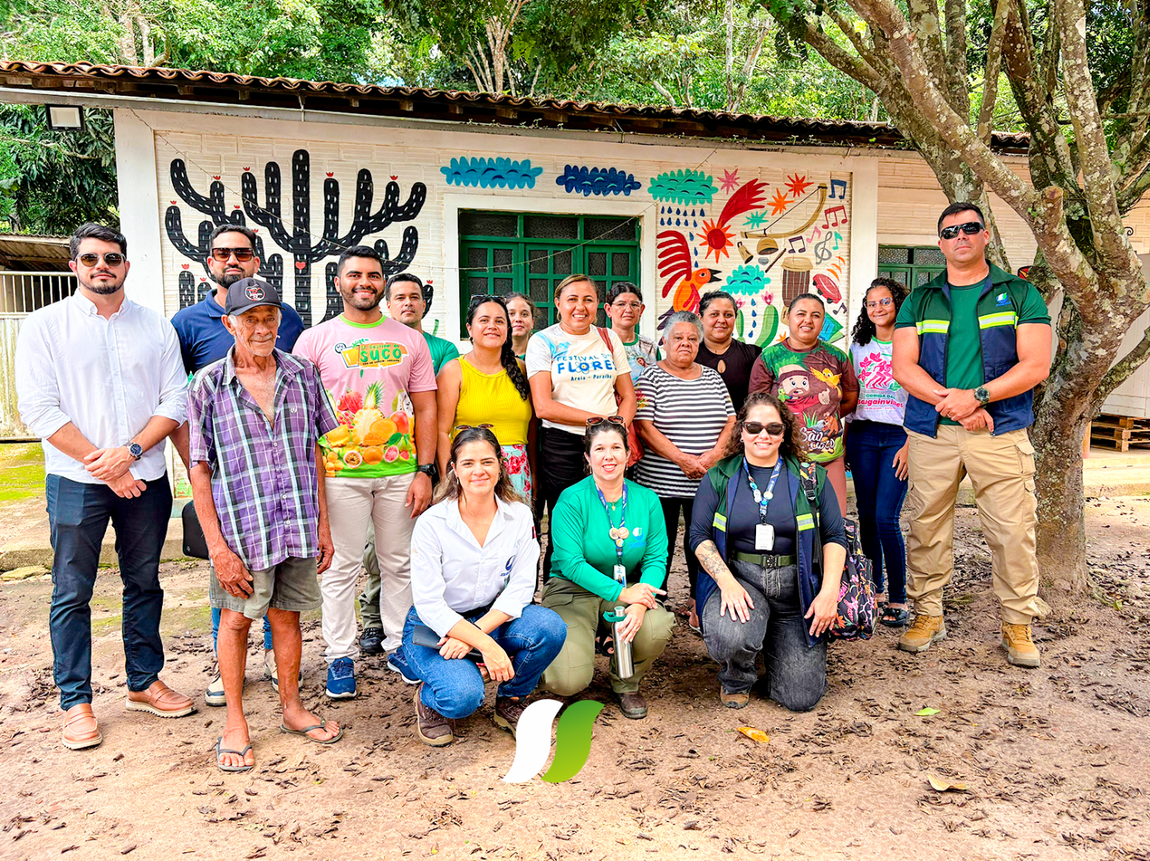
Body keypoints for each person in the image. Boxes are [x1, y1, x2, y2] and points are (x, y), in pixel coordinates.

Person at [16, 222, 194, 751]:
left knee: (145, 582)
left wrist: (130, 454)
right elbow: (39, 409)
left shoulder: (154, 325)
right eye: (91, 258)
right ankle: (76, 701)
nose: (102, 267)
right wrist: (108, 466)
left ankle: (144, 681)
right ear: (74, 265)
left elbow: (175, 399)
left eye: (112, 258)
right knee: (72, 591)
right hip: (77, 481)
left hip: (146, 478)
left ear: (125, 265)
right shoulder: (45, 325)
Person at [188, 277, 342, 771]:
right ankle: (235, 722)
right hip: (242, 527)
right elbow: (199, 468)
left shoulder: (302, 372)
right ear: (229, 323)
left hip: (296, 520)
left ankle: (291, 708)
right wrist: (217, 548)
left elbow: (317, 450)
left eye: (269, 318)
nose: (261, 328)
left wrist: (323, 525)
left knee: (287, 616)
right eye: (249, 319)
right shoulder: (208, 384)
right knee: (235, 620)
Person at [892, 202, 1052, 667]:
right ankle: (928, 614)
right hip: (932, 433)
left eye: (969, 228)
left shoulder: (1019, 293)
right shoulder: (920, 300)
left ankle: (1018, 623)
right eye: (950, 231)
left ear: (985, 236)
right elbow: (904, 366)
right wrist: (956, 404)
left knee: (1012, 530)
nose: (959, 236)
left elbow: (1036, 365)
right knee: (926, 527)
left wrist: (978, 398)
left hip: (999, 432)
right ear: (940, 243)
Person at [292, 249, 437, 698]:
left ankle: (400, 644)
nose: (364, 282)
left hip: (400, 470)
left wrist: (426, 470)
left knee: (400, 564)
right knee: (340, 566)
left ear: (382, 282)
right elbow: (301, 415)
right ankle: (340, 654)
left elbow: (426, 407)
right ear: (338, 282)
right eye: (354, 274)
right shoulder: (314, 340)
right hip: (339, 473)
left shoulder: (410, 340)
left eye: (373, 275)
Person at [170, 224, 304, 706]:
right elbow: (176, 396)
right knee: (232, 602)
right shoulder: (188, 324)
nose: (232, 259)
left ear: (255, 260)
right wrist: (197, 467)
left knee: (283, 607)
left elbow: (305, 432)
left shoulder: (290, 328)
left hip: (285, 496)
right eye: (222, 252)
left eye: (242, 252)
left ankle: (274, 666)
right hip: (232, 488)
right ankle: (226, 673)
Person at [404, 428, 567, 745]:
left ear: (500, 466)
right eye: (468, 463)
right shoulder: (432, 523)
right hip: (435, 626)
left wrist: (475, 636)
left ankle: (511, 699)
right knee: (462, 698)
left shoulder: (519, 516)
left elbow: (521, 588)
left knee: (550, 628)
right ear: (454, 469)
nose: (478, 470)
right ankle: (428, 699)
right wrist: (487, 646)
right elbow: (429, 604)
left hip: (491, 616)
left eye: (487, 462)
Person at [689, 393, 848, 712]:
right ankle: (736, 676)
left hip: (796, 589)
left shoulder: (811, 477)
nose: (763, 435)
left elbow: (834, 535)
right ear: (741, 431)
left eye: (773, 428)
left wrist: (829, 593)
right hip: (742, 579)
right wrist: (727, 583)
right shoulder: (720, 476)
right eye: (754, 427)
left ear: (784, 433)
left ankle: (773, 640)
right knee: (731, 633)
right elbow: (698, 536)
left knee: (800, 698)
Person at [541, 420, 673, 719]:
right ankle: (561, 653)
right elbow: (572, 564)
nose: (608, 456)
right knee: (567, 681)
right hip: (573, 591)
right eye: (599, 449)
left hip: (626, 589)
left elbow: (656, 559)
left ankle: (626, 682)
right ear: (587, 457)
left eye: (616, 447)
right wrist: (624, 595)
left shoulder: (647, 500)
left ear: (629, 454)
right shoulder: (571, 500)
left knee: (655, 627)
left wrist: (640, 602)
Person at [355, 271, 456, 660]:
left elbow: (438, 405)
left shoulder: (442, 349)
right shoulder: (374, 345)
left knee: (421, 546)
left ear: (424, 304)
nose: (408, 303)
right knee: (375, 547)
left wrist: (435, 467)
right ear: (387, 304)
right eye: (400, 297)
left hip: (424, 458)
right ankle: (373, 618)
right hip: (381, 459)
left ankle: (421, 619)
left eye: (415, 297)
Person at [526, 274, 637, 578]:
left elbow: (628, 396)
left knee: (609, 522)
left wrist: (617, 429)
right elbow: (543, 406)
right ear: (558, 303)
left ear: (598, 305)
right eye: (572, 299)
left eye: (588, 300)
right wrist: (599, 422)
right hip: (562, 445)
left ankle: (607, 589)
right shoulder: (543, 341)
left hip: (607, 444)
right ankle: (558, 587)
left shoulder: (608, 338)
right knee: (566, 521)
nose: (580, 306)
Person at [633, 311, 735, 631]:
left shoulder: (712, 378)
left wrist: (715, 455)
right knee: (657, 546)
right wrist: (682, 459)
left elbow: (731, 421)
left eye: (692, 338)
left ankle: (698, 603)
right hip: (658, 483)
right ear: (664, 342)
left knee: (702, 544)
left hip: (706, 481)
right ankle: (654, 605)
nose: (685, 343)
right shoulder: (650, 377)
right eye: (678, 337)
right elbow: (644, 427)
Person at [749, 293, 858, 516]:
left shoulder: (836, 357)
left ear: (823, 321)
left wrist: (829, 417)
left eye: (815, 315)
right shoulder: (770, 357)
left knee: (835, 522)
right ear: (788, 317)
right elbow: (756, 408)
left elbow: (850, 397)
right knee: (789, 522)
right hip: (783, 458)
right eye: (801, 314)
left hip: (829, 456)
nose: (807, 320)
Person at [846, 277, 911, 627]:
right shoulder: (858, 346)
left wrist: (911, 443)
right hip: (863, 435)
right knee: (867, 517)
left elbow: (922, 397)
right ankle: (875, 591)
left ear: (897, 303)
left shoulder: (912, 341)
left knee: (887, 518)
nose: (878, 308)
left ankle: (899, 596)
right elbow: (850, 394)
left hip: (899, 436)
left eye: (885, 301)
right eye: (871, 303)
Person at [437, 295, 535, 500]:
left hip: (517, 474)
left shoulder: (522, 369)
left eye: (499, 321)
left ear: (507, 329)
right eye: (484, 320)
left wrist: (535, 474)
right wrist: (449, 480)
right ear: (469, 328)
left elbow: (533, 429)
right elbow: (441, 431)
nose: (492, 326)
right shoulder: (453, 371)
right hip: (471, 475)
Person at [694, 290, 762, 413]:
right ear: (700, 318)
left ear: (735, 318)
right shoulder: (690, 356)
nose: (721, 320)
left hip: (742, 424)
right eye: (714, 314)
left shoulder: (753, 354)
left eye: (728, 315)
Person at [604, 282, 660, 385]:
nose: (628, 310)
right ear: (608, 310)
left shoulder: (650, 347)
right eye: (621, 304)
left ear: (641, 310)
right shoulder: (599, 343)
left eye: (634, 305)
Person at [506, 292, 536, 360]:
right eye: (511, 314)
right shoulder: (493, 355)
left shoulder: (543, 353)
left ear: (532, 321)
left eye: (524, 314)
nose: (518, 319)